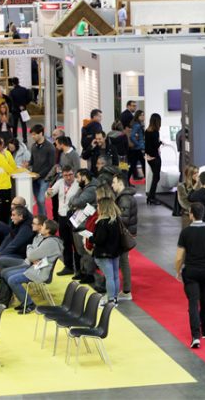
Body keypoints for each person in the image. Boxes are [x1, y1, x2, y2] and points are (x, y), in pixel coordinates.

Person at [175, 202, 205, 349]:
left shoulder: (185, 232)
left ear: (191, 214)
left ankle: (195, 336)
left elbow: (179, 256)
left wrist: (177, 270)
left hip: (191, 272)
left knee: (193, 303)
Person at [2, 219, 63, 313]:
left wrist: (29, 247)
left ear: (48, 230)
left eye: (43, 226)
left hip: (40, 272)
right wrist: (33, 253)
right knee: (7, 275)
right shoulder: (46, 239)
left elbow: (30, 255)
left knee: (12, 279)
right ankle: (23, 301)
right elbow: (33, 255)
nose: (41, 227)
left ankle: (29, 303)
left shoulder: (50, 243)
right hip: (35, 268)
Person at [88, 198, 123, 306]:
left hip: (104, 253)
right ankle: (115, 297)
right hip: (115, 252)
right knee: (115, 276)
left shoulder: (102, 222)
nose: (97, 208)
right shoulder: (116, 220)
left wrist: (90, 238)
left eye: (98, 206)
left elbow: (99, 240)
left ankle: (110, 300)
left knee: (109, 277)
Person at [0, 205, 34, 282]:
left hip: (23, 256)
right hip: (15, 251)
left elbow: (15, 244)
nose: (11, 217)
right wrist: (1, 251)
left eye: (13, 215)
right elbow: (8, 238)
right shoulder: (17, 223)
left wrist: (1, 254)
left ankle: (4, 284)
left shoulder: (27, 228)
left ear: (21, 216)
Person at [46, 165, 79, 276]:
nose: (68, 177)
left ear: (73, 173)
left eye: (70, 175)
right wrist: (49, 192)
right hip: (62, 216)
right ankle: (68, 266)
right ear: (63, 175)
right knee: (65, 243)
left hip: (74, 217)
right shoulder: (60, 182)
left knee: (76, 244)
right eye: (66, 175)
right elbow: (49, 194)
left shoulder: (78, 184)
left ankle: (79, 269)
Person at [69, 168, 99, 284]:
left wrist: (74, 201)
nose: (76, 180)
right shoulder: (84, 188)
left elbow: (76, 202)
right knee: (81, 251)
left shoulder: (91, 189)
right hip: (81, 222)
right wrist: (74, 200)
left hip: (86, 224)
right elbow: (72, 200)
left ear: (84, 177)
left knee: (86, 251)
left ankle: (89, 274)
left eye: (78, 177)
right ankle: (83, 272)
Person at [112, 172, 137, 301]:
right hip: (125, 234)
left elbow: (124, 219)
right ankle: (125, 289)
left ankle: (126, 291)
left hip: (123, 235)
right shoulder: (123, 197)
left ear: (120, 183)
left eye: (114, 182)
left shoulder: (124, 199)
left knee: (124, 262)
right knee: (123, 261)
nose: (112, 184)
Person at [28, 124, 56, 216]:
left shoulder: (50, 147)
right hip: (34, 178)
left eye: (34, 134)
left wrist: (40, 175)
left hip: (44, 178)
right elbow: (32, 160)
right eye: (32, 134)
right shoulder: (33, 146)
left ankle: (43, 220)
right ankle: (42, 218)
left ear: (41, 133)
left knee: (41, 200)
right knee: (39, 201)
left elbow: (51, 165)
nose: (33, 136)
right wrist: (27, 164)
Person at [144, 113, 163, 205]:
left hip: (149, 157)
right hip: (155, 157)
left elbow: (147, 146)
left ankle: (151, 197)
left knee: (155, 177)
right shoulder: (155, 132)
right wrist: (160, 142)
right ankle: (151, 197)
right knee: (156, 178)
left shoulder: (147, 131)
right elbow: (155, 145)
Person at [9, 77, 31, 143]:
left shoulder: (12, 91)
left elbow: (11, 101)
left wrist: (17, 106)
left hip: (15, 110)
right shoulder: (24, 89)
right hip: (23, 109)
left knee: (14, 124)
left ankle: (14, 137)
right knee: (24, 124)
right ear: (18, 82)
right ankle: (25, 138)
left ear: (12, 83)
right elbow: (29, 98)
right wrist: (24, 105)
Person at [128, 110, 145, 182]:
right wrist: (138, 144)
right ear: (137, 116)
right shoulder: (137, 125)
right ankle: (128, 178)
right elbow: (132, 136)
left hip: (137, 148)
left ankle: (132, 177)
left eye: (143, 115)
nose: (143, 116)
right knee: (135, 163)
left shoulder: (138, 124)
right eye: (141, 115)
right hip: (137, 148)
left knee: (135, 163)